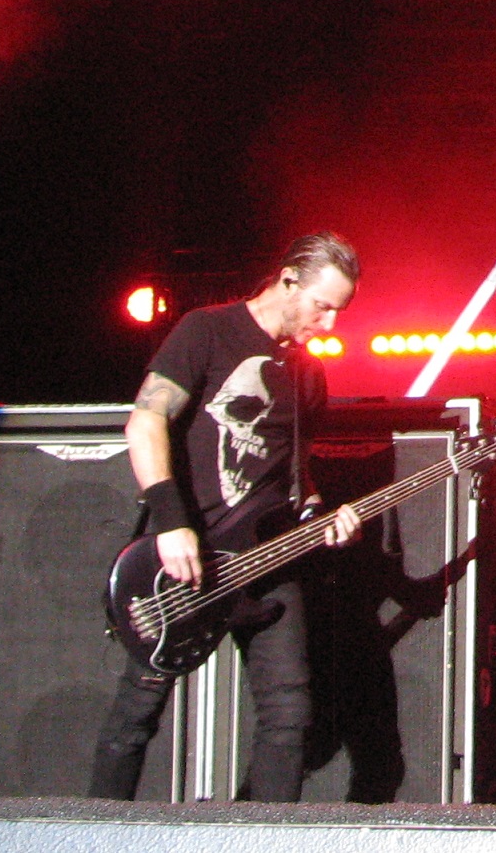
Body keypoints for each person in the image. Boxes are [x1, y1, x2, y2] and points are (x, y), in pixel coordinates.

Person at [88, 233, 366, 802]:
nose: (330, 323)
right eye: (322, 306)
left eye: (339, 311)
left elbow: (296, 476)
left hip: (267, 559)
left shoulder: (308, 374)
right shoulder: (206, 331)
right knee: (138, 711)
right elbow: (145, 422)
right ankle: (95, 830)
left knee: (289, 714)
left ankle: (259, 837)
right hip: (187, 553)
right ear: (288, 280)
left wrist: (322, 517)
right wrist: (172, 522)